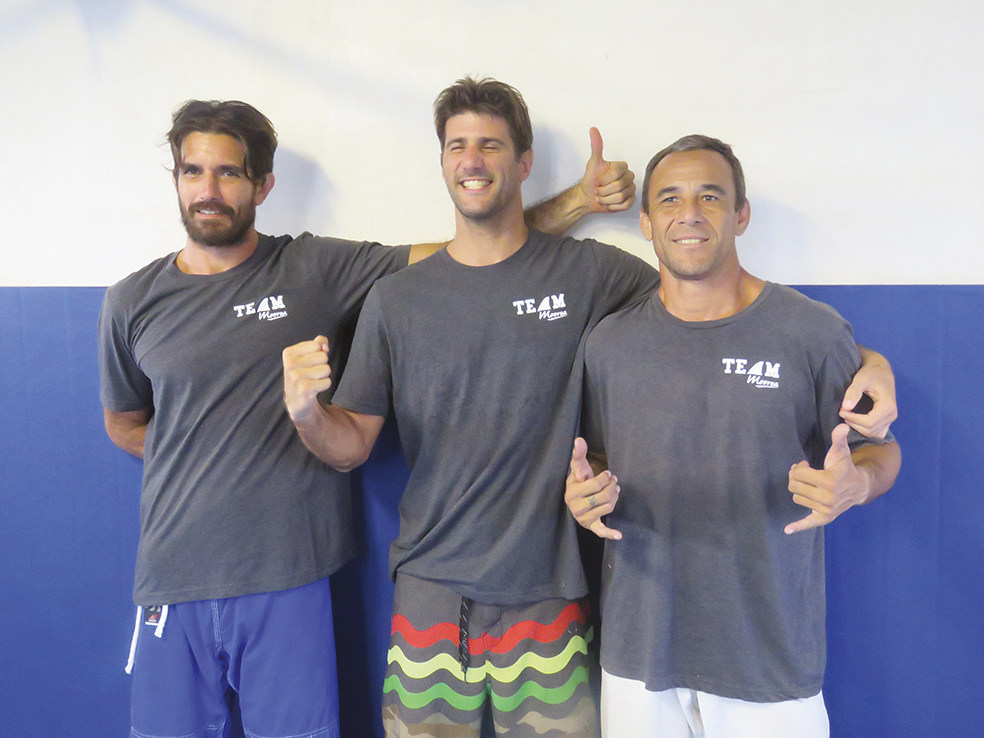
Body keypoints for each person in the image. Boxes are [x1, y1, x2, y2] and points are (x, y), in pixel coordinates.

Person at [282, 80, 897, 738]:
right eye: (457, 145)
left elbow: (717, 308)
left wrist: (869, 363)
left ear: (522, 163)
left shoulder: (591, 275)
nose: (472, 159)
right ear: (441, 162)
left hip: (555, 591)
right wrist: (304, 411)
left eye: (490, 144)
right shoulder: (397, 300)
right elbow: (349, 447)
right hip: (435, 590)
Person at [98, 99, 637, 738]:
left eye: (229, 173)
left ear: (262, 185)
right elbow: (124, 422)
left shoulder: (316, 270)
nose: (209, 189)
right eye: (193, 171)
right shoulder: (132, 300)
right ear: (176, 180)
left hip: (294, 573)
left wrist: (576, 200)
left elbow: (475, 249)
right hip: (179, 572)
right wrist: (215, 447)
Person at [564, 135, 902, 738]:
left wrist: (858, 484)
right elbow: (598, 460)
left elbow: (882, 448)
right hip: (640, 653)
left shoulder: (810, 332)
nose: (688, 212)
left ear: (741, 215)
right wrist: (581, 497)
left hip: (767, 655)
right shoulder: (608, 345)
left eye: (710, 196)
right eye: (669, 199)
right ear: (645, 221)